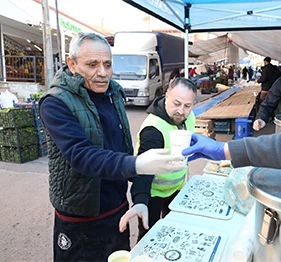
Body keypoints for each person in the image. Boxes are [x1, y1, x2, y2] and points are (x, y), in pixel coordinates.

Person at [38, 32, 186, 261]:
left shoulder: (113, 92)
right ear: (72, 64)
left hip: (117, 209)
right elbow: (81, 155)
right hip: (80, 216)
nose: (102, 73)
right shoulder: (55, 103)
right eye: (92, 64)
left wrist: (139, 198)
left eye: (107, 64)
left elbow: (121, 148)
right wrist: (136, 163)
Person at [119, 77, 198, 240]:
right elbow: (144, 168)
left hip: (176, 190)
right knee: (149, 237)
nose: (181, 111)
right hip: (153, 194)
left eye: (187, 106)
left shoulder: (190, 118)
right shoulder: (154, 129)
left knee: (173, 233)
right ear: (166, 95)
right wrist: (140, 199)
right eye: (176, 103)